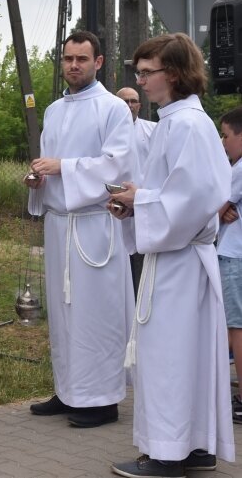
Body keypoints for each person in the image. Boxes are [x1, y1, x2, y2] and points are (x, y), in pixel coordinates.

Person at [109, 33, 235, 477]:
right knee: (188, 356)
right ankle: (195, 445)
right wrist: (134, 201)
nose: (140, 82)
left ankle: (167, 454)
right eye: (138, 72)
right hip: (179, 257)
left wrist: (138, 199)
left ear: (175, 74)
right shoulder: (176, 121)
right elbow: (175, 193)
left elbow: (194, 197)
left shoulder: (186, 124)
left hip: (180, 261)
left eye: (147, 73)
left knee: (168, 358)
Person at [24, 30, 136, 428]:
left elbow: (118, 168)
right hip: (59, 227)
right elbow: (48, 163)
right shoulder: (54, 110)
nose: (73, 66)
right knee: (64, 312)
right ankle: (69, 389)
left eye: (82, 60)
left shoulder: (113, 110)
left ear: (99, 63)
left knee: (97, 315)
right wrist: (38, 179)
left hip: (94, 228)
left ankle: (102, 401)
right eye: (68, 59)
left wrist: (63, 168)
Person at [116, 87, 156, 296]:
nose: (130, 106)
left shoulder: (153, 130)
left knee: (143, 262)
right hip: (114, 208)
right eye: (125, 101)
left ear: (140, 104)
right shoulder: (107, 133)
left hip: (143, 205)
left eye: (134, 101)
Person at [218, 106, 242, 426]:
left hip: (234, 255)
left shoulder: (238, 169)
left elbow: (216, 203)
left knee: (237, 330)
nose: (223, 142)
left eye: (225, 135)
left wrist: (220, 209)